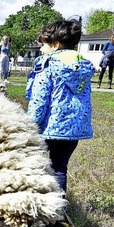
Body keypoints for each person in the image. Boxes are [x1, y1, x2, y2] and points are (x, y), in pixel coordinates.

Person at [25, 19, 94, 193]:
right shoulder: (82, 66)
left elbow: (39, 100)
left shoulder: (46, 64)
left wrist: (28, 125)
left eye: (43, 44)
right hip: (73, 131)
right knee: (59, 168)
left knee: (34, 166)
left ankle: (36, 203)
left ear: (55, 45)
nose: (41, 49)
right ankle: (59, 213)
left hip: (49, 128)